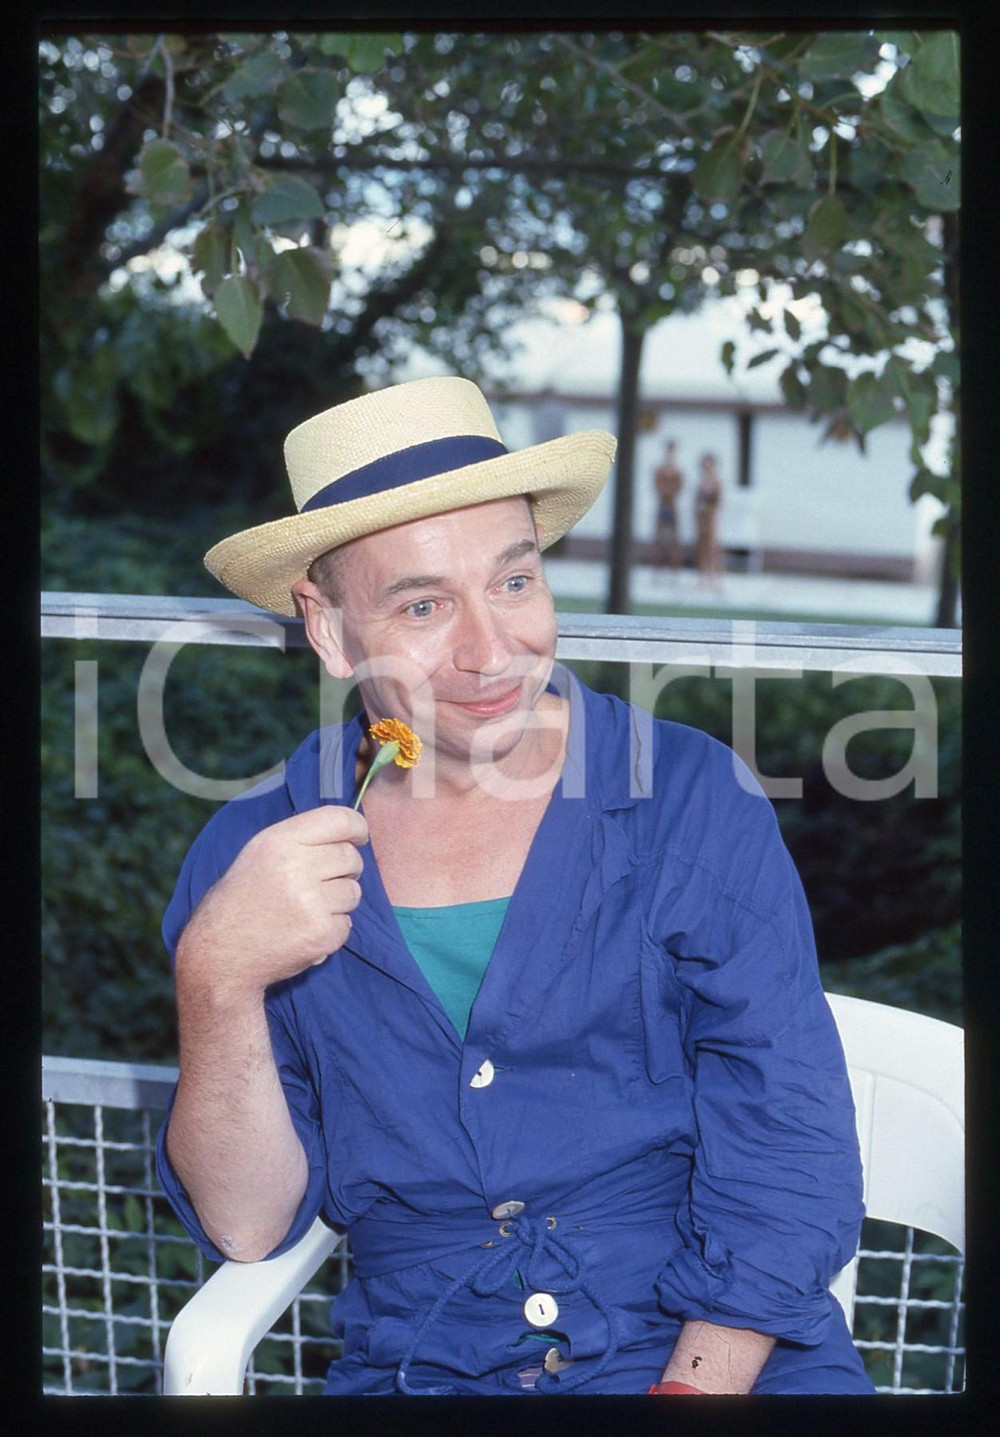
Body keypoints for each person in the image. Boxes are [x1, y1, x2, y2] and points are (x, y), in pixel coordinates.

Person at [156, 376, 874, 1396]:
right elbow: (246, 1219)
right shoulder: (253, 855)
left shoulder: (686, 798)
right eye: (420, 604)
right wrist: (216, 979)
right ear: (328, 629)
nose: (491, 652)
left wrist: (690, 1390)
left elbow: (787, 1143)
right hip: (428, 1366)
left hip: (713, 1351)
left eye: (513, 581)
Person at [652, 438, 684, 575]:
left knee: (674, 539)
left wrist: (669, 492)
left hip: (672, 506)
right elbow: (657, 485)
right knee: (659, 538)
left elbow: (679, 487)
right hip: (662, 505)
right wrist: (665, 492)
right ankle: (657, 568)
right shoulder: (661, 469)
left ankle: (674, 569)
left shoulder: (677, 471)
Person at [694, 451, 724, 589]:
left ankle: (714, 578)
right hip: (702, 517)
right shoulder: (701, 482)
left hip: (711, 517)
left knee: (712, 548)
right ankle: (703, 577)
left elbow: (718, 501)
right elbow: (696, 500)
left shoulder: (716, 482)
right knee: (702, 547)